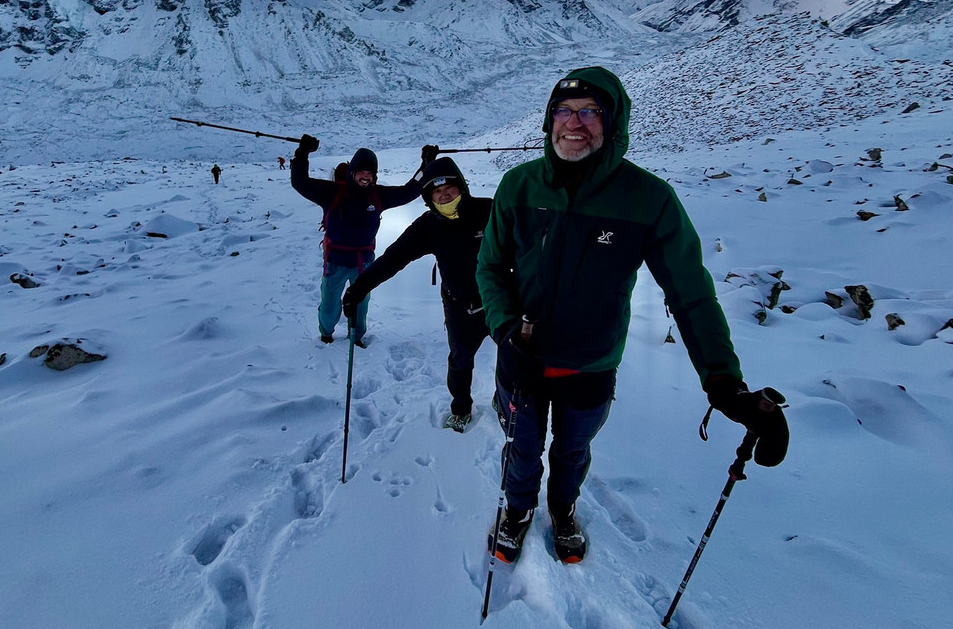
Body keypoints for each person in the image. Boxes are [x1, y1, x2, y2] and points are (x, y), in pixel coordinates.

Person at [476, 67, 789, 565]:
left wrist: (724, 383)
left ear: (613, 122)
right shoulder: (518, 185)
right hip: (521, 360)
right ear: (548, 120)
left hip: (591, 365)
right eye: (563, 110)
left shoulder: (649, 200)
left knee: (573, 453)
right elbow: (489, 266)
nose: (573, 123)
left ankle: (561, 509)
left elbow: (691, 295)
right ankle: (516, 510)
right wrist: (504, 324)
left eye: (590, 112)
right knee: (521, 449)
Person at [341, 157, 492, 433]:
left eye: (449, 189)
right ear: (429, 198)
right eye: (437, 192)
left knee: (512, 357)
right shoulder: (428, 226)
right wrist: (359, 288)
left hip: (498, 301)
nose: (444, 196)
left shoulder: (489, 210)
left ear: (461, 187)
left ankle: (505, 402)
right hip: (459, 307)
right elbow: (393, 258)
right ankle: (461, 409)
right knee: (460, 360)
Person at [291, 134, 438, 346]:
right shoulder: (332, 193)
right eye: (361, 172)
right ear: (352, 172)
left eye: (370, 173)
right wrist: (302, 153)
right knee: (330, 303)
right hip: (335, 261)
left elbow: (410, 190)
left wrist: (426, 165)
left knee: (361, 302)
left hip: (364, 261)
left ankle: (356, 336)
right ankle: (326, 334)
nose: (366, 177)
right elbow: (300, 182)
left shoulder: (378, 195)